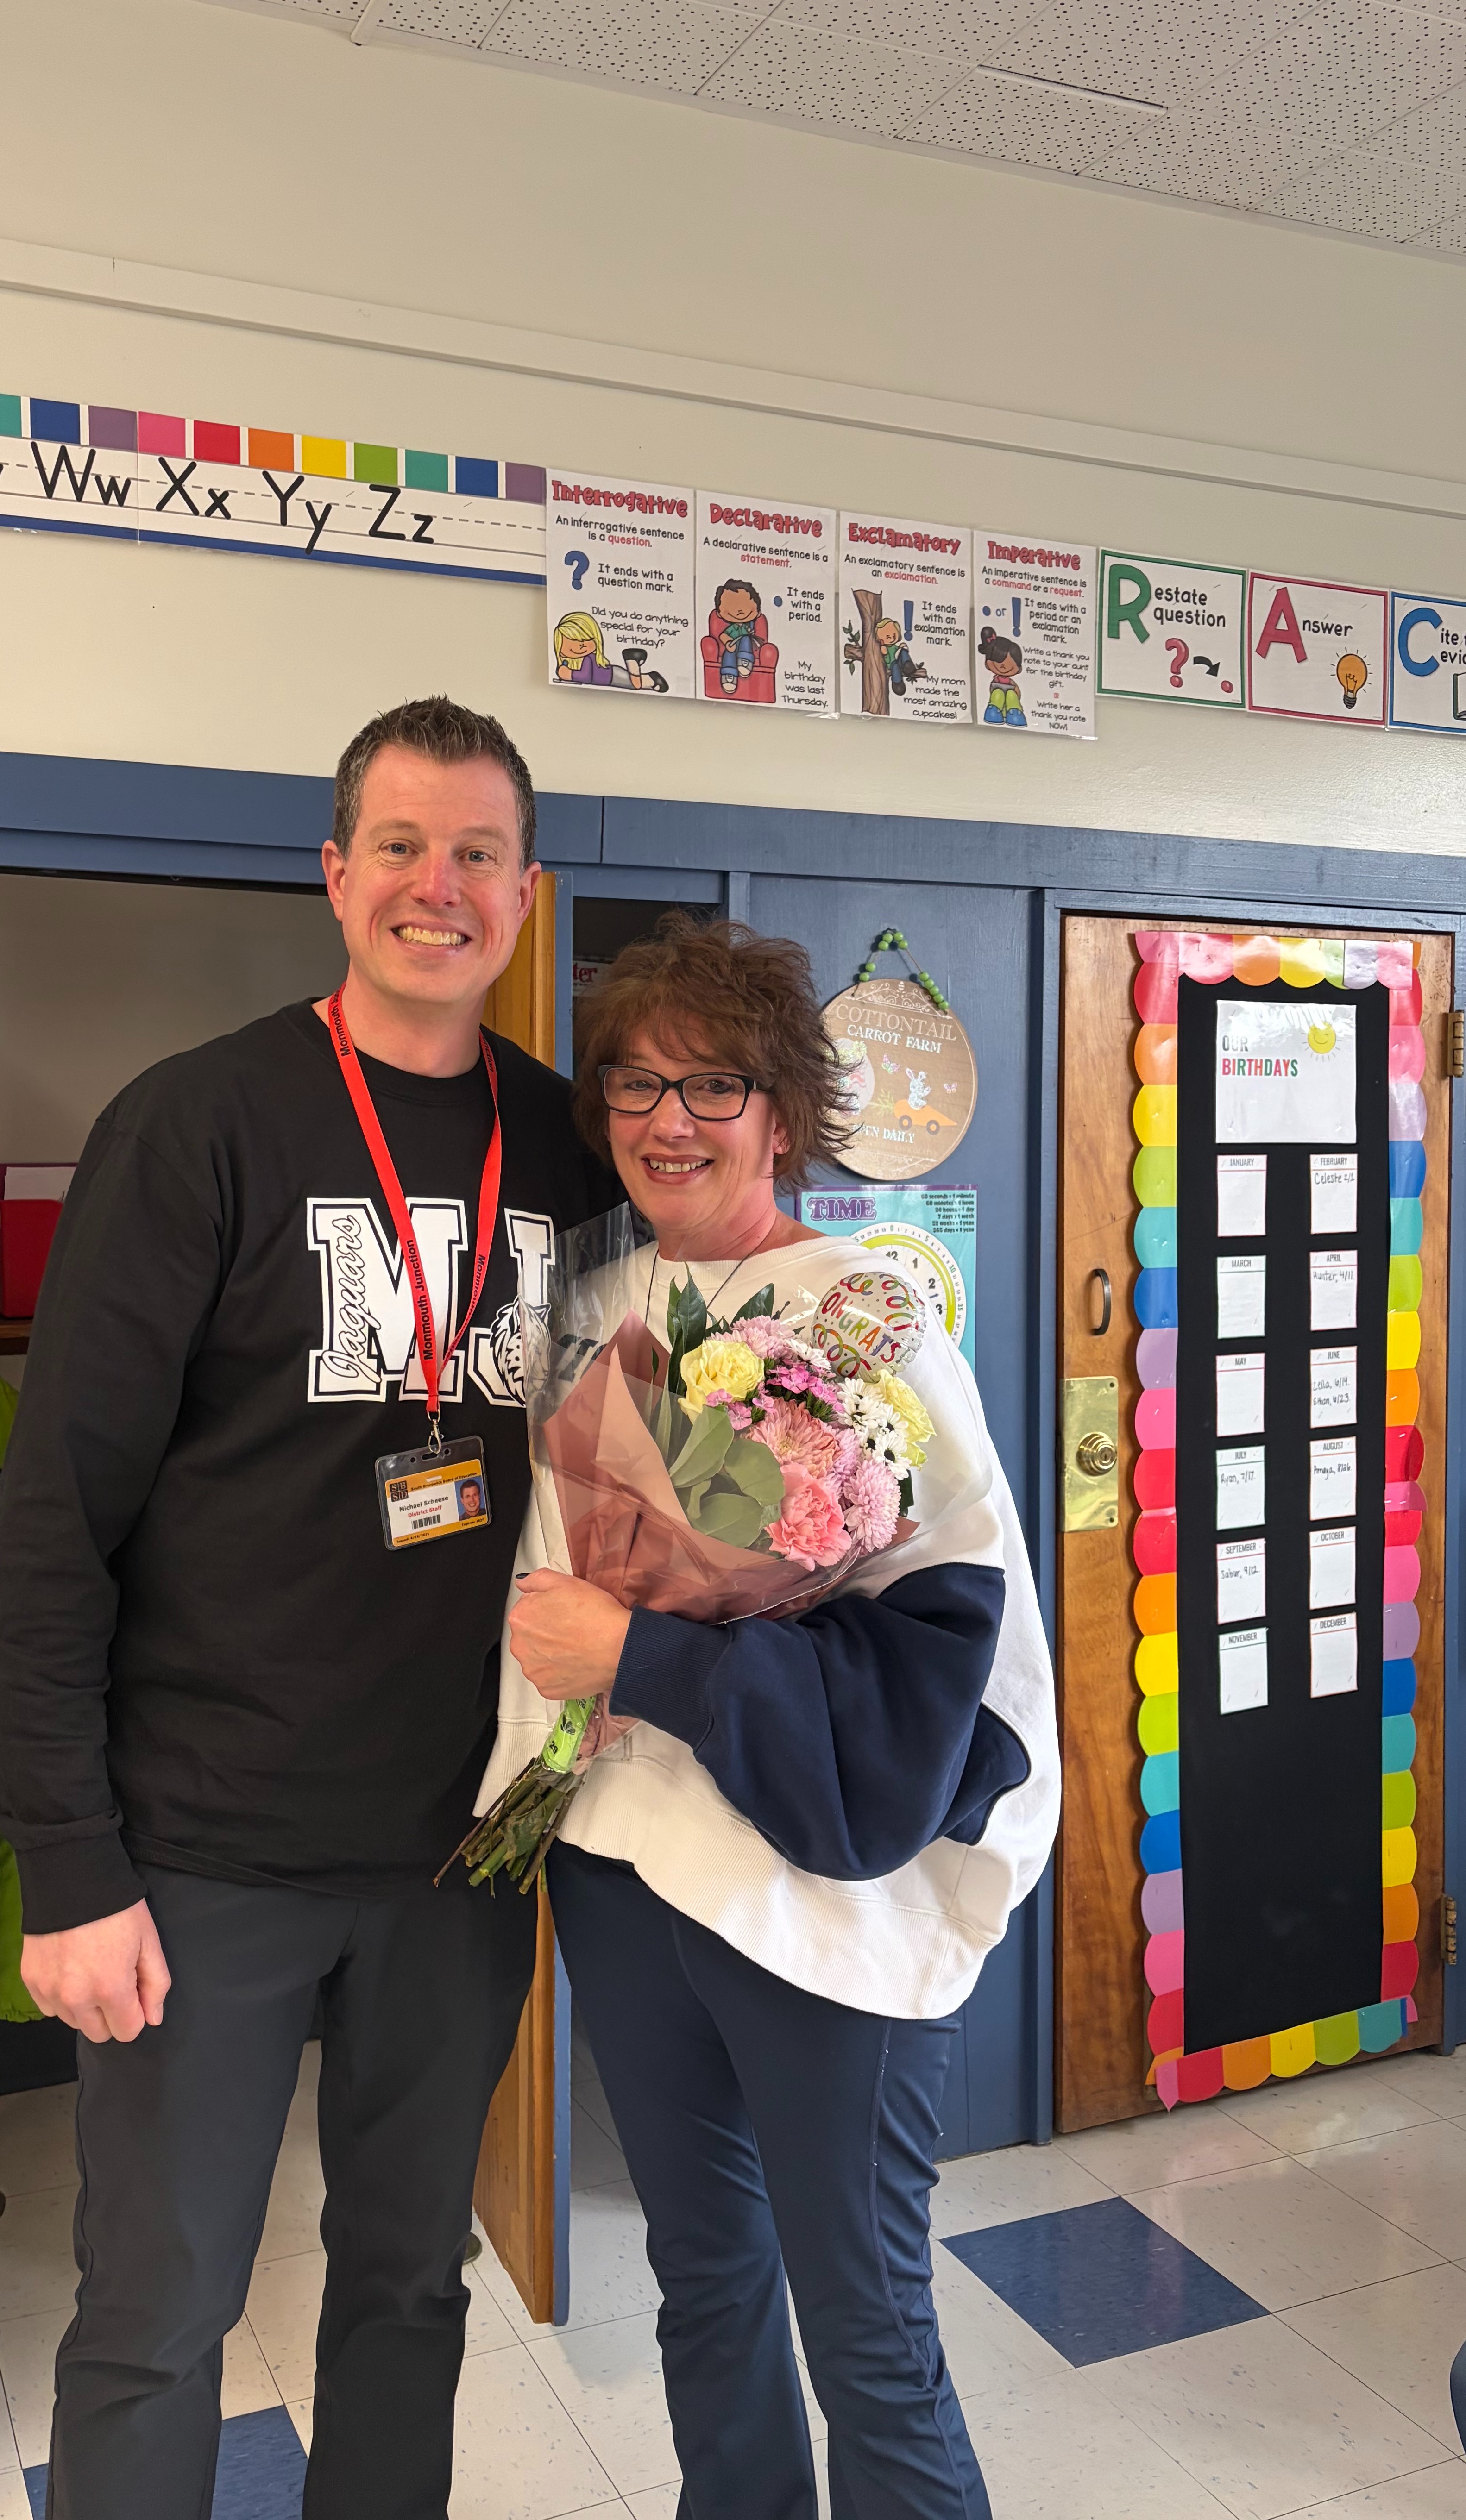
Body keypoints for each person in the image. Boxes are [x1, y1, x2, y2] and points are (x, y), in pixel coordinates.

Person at [0, 696, 617, 2520]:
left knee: (412, 2286)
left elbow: (637, 1475)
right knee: (157, 2314)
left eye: (476, 852)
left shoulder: (569, 1152)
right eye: (401, 847)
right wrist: (70, 1868)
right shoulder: (198, 1127)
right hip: (203, 1860)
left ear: (524, 889)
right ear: (334, 875)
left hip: (465, 1851)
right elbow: (57, 1524)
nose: (439, 886)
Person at [478, 914, 1061, 2520]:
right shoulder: (592, 1305)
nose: (670, 1119)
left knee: (868, 2322)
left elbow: (954, 1642)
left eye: (715, 1084)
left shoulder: (869, 1315)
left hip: (815, 1891)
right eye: (637, 1086)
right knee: (703, 2278)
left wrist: (649, 1659)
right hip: (622, 1858)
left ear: (785, 1111)